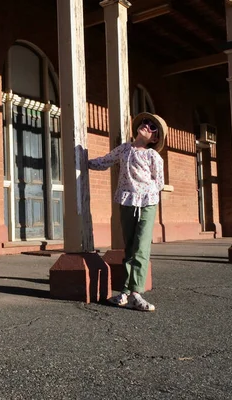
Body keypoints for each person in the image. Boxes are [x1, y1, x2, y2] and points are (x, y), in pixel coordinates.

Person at [88, 112, 167, 311]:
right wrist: (82, 160)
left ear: (155, 138)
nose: (147, 126)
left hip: (147, 203)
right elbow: (105, 161)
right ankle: (125, 291)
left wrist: (144, 193)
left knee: (141, 246)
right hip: (127, 201)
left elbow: (159, 183)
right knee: (129, 246)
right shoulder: (124, 149)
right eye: (145, 123)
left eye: (152, 127)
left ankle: (136, 293)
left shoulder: (153, 156)